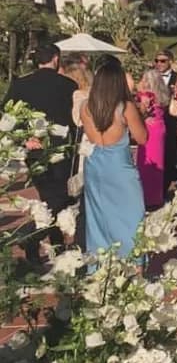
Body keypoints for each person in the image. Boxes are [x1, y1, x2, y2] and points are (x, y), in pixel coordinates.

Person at [4, 44, 78, 260]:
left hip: (34, 148)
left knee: (49, 197)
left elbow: (7, 115)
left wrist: (24, 137)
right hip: (60, 147)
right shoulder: (68, 85)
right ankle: (32, 235)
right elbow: (74, 120)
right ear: (56, 59)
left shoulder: (20, 84)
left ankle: (52, 243)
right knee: (58, 198)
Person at [79, 57, 147, 258]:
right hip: (119, 166)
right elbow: (142, 138)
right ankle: (132, 260)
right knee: (132, 216)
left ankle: (100, 263)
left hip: (95, 164)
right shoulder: (125, 107)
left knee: (98, 217)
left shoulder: (85, 106)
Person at [135, 69, 170, 210]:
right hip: (160, 127)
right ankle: (156, 196)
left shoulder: (146, 95)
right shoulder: (162, 95)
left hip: (149, 129)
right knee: (158, 163)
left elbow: (142, 111)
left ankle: (147, 197)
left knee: (147, 164)